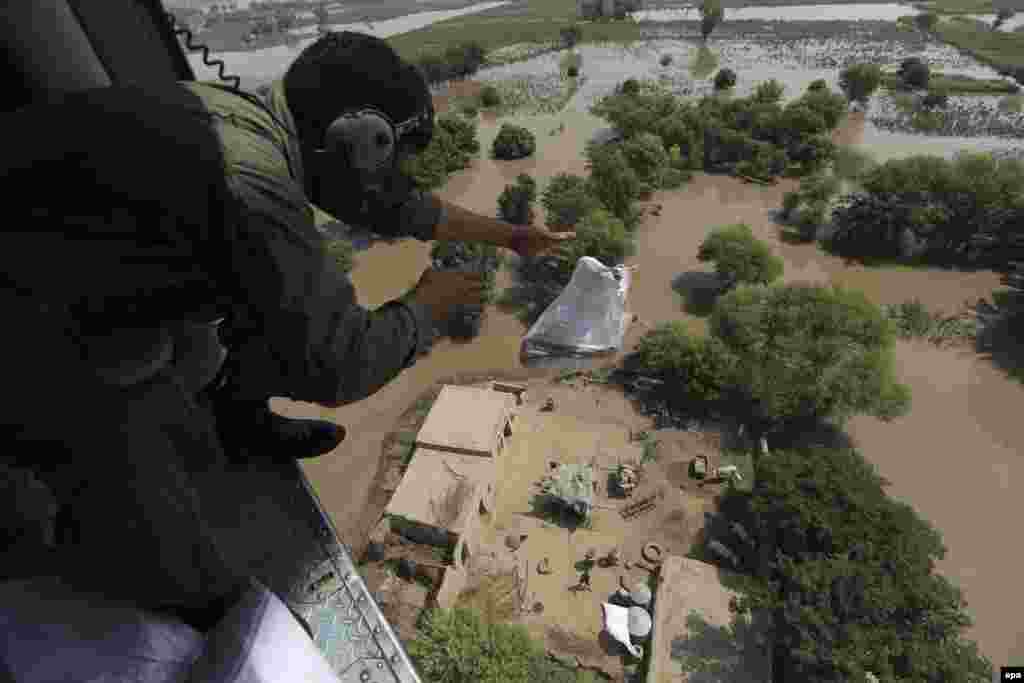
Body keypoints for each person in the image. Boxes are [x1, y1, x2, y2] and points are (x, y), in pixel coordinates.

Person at [0, 31, 574, 628]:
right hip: (28, 335)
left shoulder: (241, 118)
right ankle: (214, 624)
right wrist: (425, 308)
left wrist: (509, 236)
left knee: (247, 309)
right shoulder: (250, 185)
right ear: (356, 140)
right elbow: (338, 361)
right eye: (385, 158)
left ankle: (238, 421)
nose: (385, 179)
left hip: (58, 277)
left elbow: (391, 206)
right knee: (160, 525)